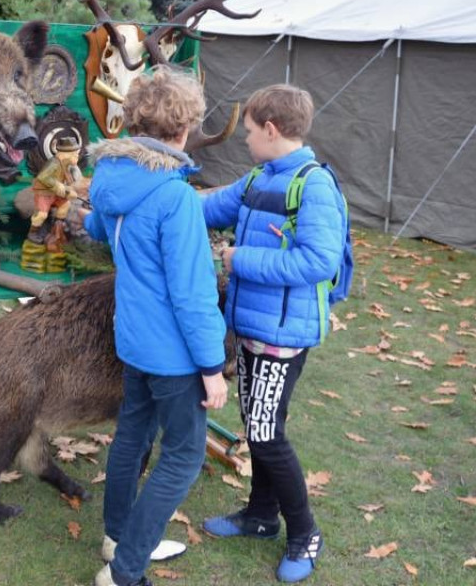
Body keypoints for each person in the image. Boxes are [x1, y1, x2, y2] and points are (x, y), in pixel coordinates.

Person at [82, 67, 228, 586]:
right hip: (172, 352)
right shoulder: (177, 197)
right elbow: (193, 294)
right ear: (184, 130)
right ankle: (124, 571)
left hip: (134, 340)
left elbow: (97, 224)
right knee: (183, 457)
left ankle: (118, 536)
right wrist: (213, 366)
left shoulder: (110, 176)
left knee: (133, 436)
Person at [200, 84, 346, 583]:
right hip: (253, 329)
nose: (244, 141)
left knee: (264, 433)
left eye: (248, 132)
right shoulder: (261, 175)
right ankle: (261, 517)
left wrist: (241, 259)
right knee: (260, 425)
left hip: (284, 336)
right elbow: (212, 206)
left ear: (271, 129)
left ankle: (305, 534)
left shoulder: (314, 185)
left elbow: (318, 260)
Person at [28, 135, 84, 251]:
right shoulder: (54, 163)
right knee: (41, 215)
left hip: (56, 194)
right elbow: (43, 177)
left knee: (65, 205)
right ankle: (32, 233)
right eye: (74, 153)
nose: (77, 156)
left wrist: (70, 191)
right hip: (44, 193)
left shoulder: (67, 165)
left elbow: (68, 181)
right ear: (65, 153)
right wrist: (60, 187)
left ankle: (57, 227)